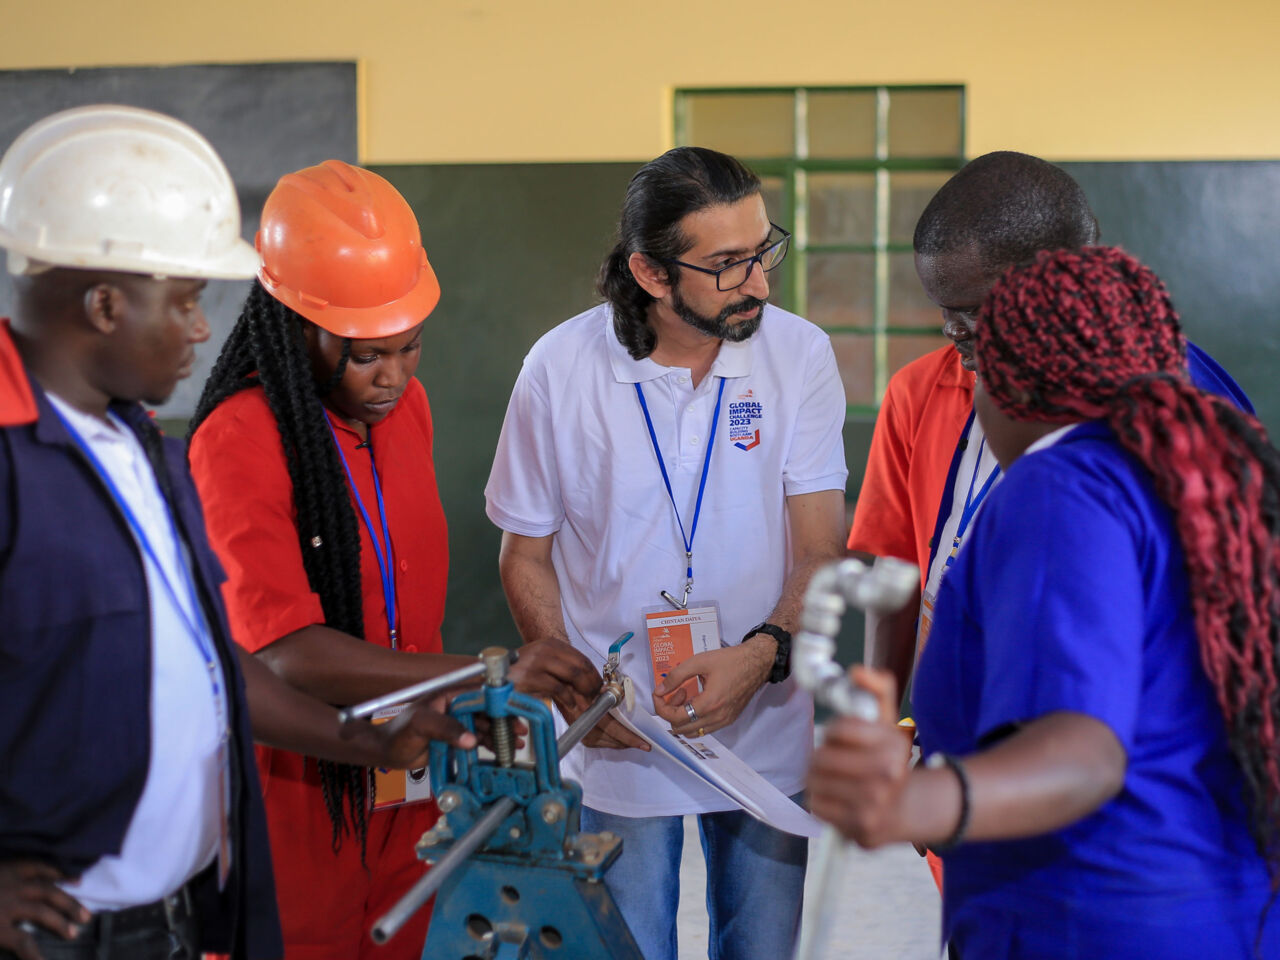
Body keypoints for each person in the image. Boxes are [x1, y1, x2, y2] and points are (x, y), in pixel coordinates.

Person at [0, 106, 480, 960]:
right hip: (80, 916)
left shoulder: (141, 447)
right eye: (185, 300)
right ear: (105, 303)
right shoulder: (46, 454)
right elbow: (282, 650)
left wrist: (365, 738)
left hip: (182, 901)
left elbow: (214, 665)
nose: (197, 328)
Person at [808, 246, 1280, 959]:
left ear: (1012, 381)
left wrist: (916, 801)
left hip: (1090, 918)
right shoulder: (1200, 483)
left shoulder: (1060, 489)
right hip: (1216, 908)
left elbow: (1082, 755)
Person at [186, 159, 605, 960]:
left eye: (410, 347)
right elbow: (286, 652)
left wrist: (445, 704)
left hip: (412, 769)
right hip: (299, 786)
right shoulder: (239, 436)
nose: (394, 376)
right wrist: (487, 673)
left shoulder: (406, 409)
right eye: (364, 353)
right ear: (292, 323)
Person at [484, 146, 849, 960]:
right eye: (727, 265)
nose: (759, 281)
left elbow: (822, 550)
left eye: (763, 252)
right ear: (651, 274)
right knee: (628, 945)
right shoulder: (559, 369)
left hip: (763, 721)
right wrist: (581, 690)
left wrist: (762, 655)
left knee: (760, 945)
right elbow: (525, 554)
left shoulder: (800, 357)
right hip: (621, 731)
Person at [849, 151, 1252, 706]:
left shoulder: (1181, 410)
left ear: (1061, 283)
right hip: (969, 750)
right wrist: (883, 721)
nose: (951, 331)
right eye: (943, 310)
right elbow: (898, 566)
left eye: (972, 311)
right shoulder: (922, 389)